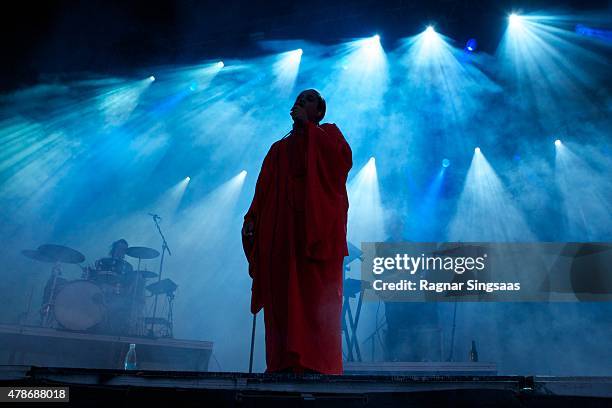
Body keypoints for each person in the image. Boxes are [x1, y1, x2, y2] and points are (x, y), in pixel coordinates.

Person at [242, 89, 352, 374]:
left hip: (313, 239)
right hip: (281, 237)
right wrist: (253, 219)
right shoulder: (278, 149)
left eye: (310, 99)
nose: (301, 101)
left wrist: (310, 130)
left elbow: (341, 163)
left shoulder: (329, 135)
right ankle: (281, 363)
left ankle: (315, 363)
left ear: (319, 111)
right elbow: (262, 191)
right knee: (281, 300)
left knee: (313, 301)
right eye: (299, 98)